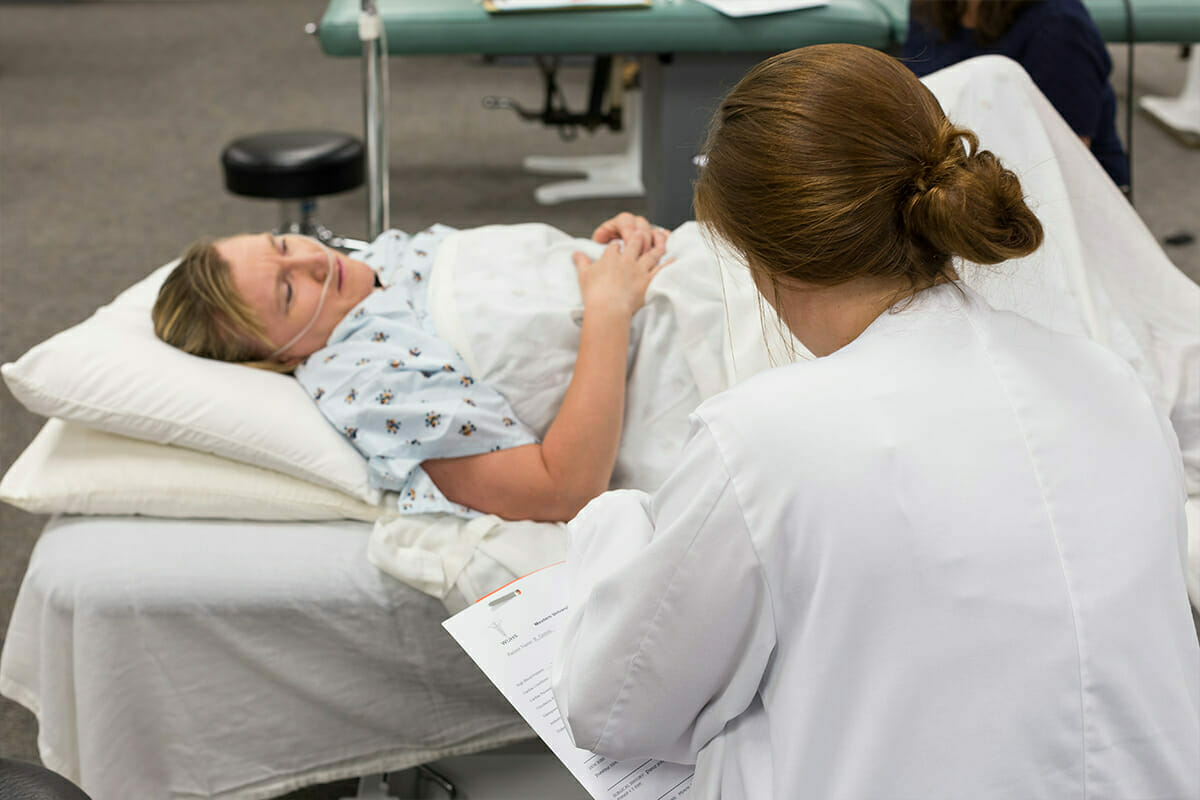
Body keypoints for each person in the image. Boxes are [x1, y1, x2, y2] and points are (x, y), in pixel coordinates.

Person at [551, 44, 1198, 799]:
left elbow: (613, 708)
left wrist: (613, 525)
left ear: (759, 260)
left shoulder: (763, 439)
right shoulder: (1110, 384)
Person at [152, 213, 671, 522]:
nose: (314, 261)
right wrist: (608, 310)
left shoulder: (387, 255)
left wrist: (617, 246)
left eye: (282, 245)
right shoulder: (368, 382)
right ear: (281, 356)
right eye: (288, 292)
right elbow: (560, 491)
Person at [904, 0, 1130, 188]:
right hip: (950, 185)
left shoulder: (1059, 26)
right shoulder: (931, 10)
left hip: (1052, 200)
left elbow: (1065, 171)